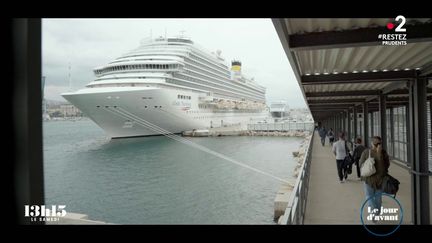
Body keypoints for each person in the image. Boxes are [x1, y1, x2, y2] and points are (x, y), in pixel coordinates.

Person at [359, 136, 390, 218]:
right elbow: (387, 165)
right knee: (378, 197)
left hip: (368, 179)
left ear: (372, 143)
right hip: (380, 180)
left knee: (369, 196)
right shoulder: (384, 153)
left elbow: (360, 164)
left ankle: (373, 213)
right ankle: (377, 213)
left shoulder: (366, 152)